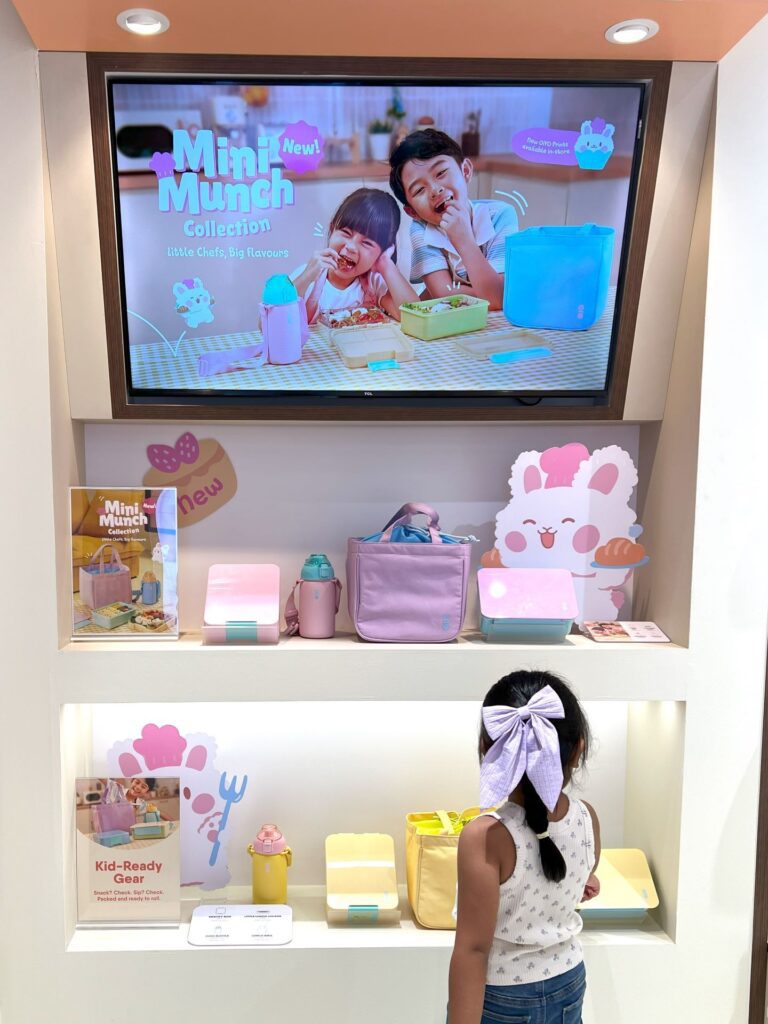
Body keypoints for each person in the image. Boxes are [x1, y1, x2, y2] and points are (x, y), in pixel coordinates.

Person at [448, 670, 601, 1024]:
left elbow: (473, 950)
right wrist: (585, 881)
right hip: (568, 978)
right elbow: (581, 874)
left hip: (505, 996)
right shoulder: (587, 817)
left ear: (487, 750)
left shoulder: (485, 838)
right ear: (578, 750)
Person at [389, 129, 518, 310]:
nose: (435, 190)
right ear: (412, 212)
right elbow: (443, 294)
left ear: (465, 171)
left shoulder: (500, 215)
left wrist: (463, 239)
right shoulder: (421, 228)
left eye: (441, 173)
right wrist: (489, 293)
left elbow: (497, 298)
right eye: (419, 190)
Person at [291, 187, 418, 322]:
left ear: (381, 252)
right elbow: (276, 316)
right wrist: (305, 277)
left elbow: (414, 317)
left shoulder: (373, 283)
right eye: (346, 233)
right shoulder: (310, 275)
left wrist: (386, 264)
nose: (351, 247)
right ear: (332, 229)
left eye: (367, 243)